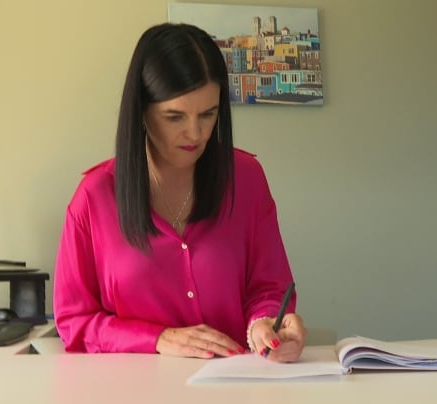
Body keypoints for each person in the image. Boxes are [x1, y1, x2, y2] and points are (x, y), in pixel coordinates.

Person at [53, 23, 306, 362]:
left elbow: (269, 288)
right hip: (128, 400)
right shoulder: (93, 197)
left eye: (208, 114)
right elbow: (75, 322)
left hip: (233, 393)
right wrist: (157, 338)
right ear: (142, 112)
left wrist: (264, 323)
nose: (195, 133)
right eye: (174, 117)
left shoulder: (246, 179)